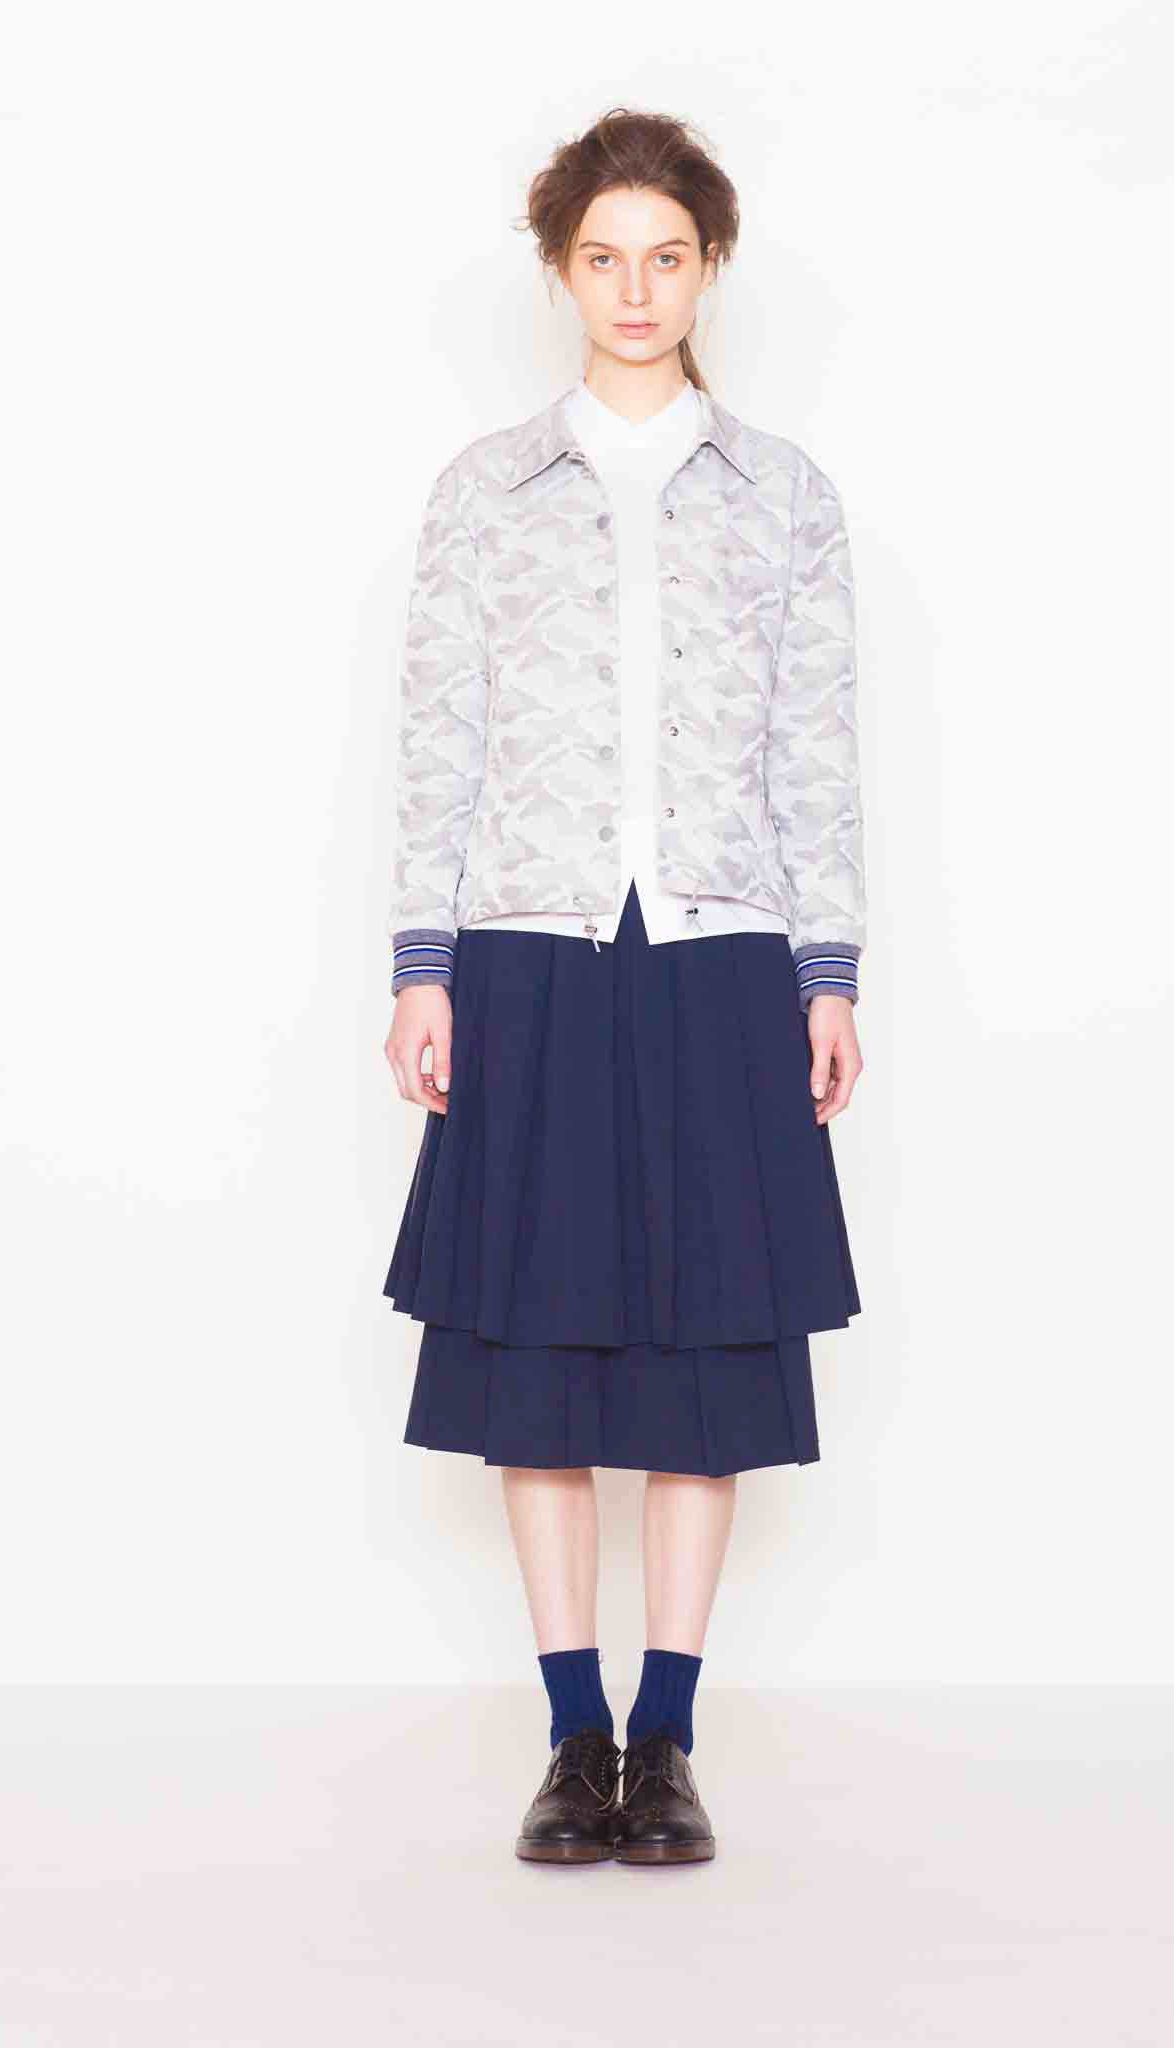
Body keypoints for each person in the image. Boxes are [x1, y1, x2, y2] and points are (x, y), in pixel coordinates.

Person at [381, 107, 866, 1865]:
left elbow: (815, 743)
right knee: (537, 1349)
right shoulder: (484, 491)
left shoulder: (783, 493)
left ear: (708, 266)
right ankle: (568, 1733)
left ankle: (664, 1739)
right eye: (603, 258)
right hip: (530, 948)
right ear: (561, 271)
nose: (635, 288)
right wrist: (423, 964)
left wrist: (826, 971)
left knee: (703, 1357)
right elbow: (439, 737)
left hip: (722, 952)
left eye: (666, 256)